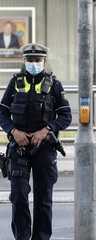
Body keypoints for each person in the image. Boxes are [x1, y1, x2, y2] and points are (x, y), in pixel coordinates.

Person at [0, 43, 72, 240]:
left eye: (37, 60)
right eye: (30, 60)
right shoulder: (15, 82)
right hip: (19, 148)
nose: (33, 63)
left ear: (44, 61)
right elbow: (2, 112)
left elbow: (66, 116)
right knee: (19, 197)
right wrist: (13, 131)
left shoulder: (54, 85)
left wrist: (47, 130)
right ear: (24, 61)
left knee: (43, 200)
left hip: (45, 148)